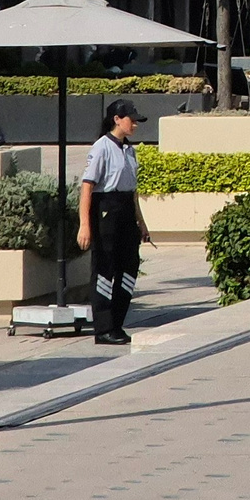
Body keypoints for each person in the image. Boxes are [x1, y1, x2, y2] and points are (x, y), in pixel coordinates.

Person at [78, 99, 153, 345]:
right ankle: (103, 327)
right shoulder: (101, 148)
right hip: (105, 210)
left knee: (129, 266)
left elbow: (132, 191)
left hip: (126, 211)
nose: (135, 125)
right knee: (104, 269)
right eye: (131, 119)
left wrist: (141, 222)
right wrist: (85, 224)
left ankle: (118, 323)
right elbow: (87, 187)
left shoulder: (129, 150)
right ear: (117, 119)